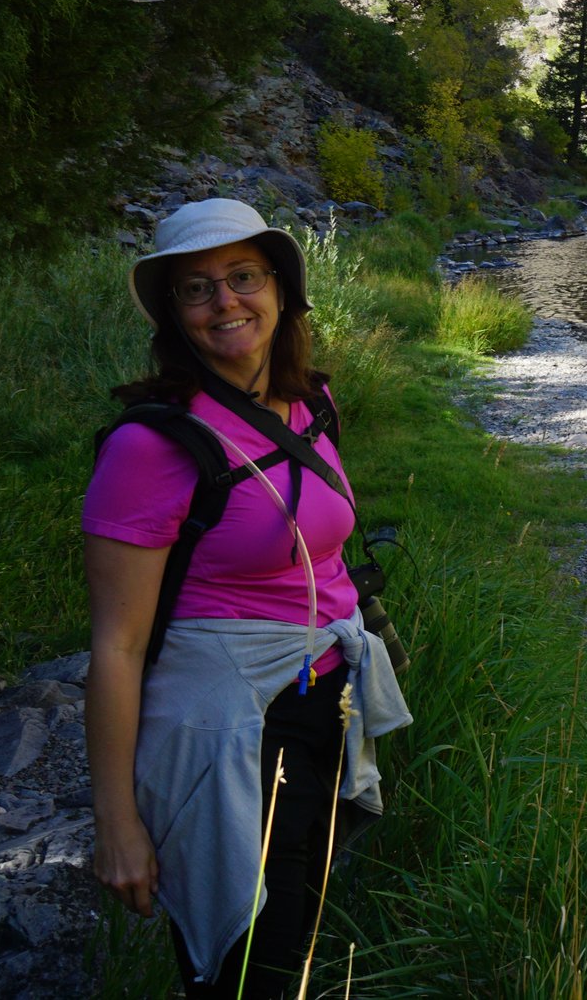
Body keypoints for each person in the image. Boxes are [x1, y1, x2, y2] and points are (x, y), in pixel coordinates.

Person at [82, 198, 411, 998]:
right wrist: (117, 824)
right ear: (174, 314)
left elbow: (322, 552)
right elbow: (117, 646)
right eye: (197, 288)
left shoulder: (310, 405)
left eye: (242, 277)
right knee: (246, 963)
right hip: (231, 730)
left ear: (280, 287)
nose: (225, 301)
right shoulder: (151, 446)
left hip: (322, 703)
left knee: (296, 933)